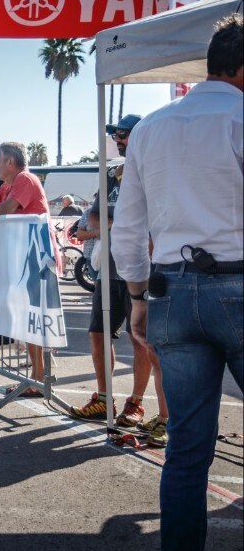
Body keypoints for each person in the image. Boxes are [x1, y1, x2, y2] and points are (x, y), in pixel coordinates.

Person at [112, 13, 243, 551]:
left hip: (171, 290)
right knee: (187, 453)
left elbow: (128, 228)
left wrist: (138, 297)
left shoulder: (153, 130)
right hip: (238, 284)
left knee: (187, 455)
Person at [69, 114, 165, 439]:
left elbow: (144, 219)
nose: (119, 140)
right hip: (109, 265)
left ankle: (136, 403)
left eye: (123, 135)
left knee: (143, 338)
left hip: (143, 266)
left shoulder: (154, 170)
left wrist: (105, 227)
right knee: (98, 332)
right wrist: (105, 225)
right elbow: (97, 213)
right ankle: (104, 398)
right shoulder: (112, 174)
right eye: (118, 135)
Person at [0, 141, 52, 395]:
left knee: (34, 317)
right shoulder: (8, 185)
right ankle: (38, 376)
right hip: (22, 257)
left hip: (36, 257)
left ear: (9, 162)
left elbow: (7, 208)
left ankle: (39, 378)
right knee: (28, 317)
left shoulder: (25, 179)